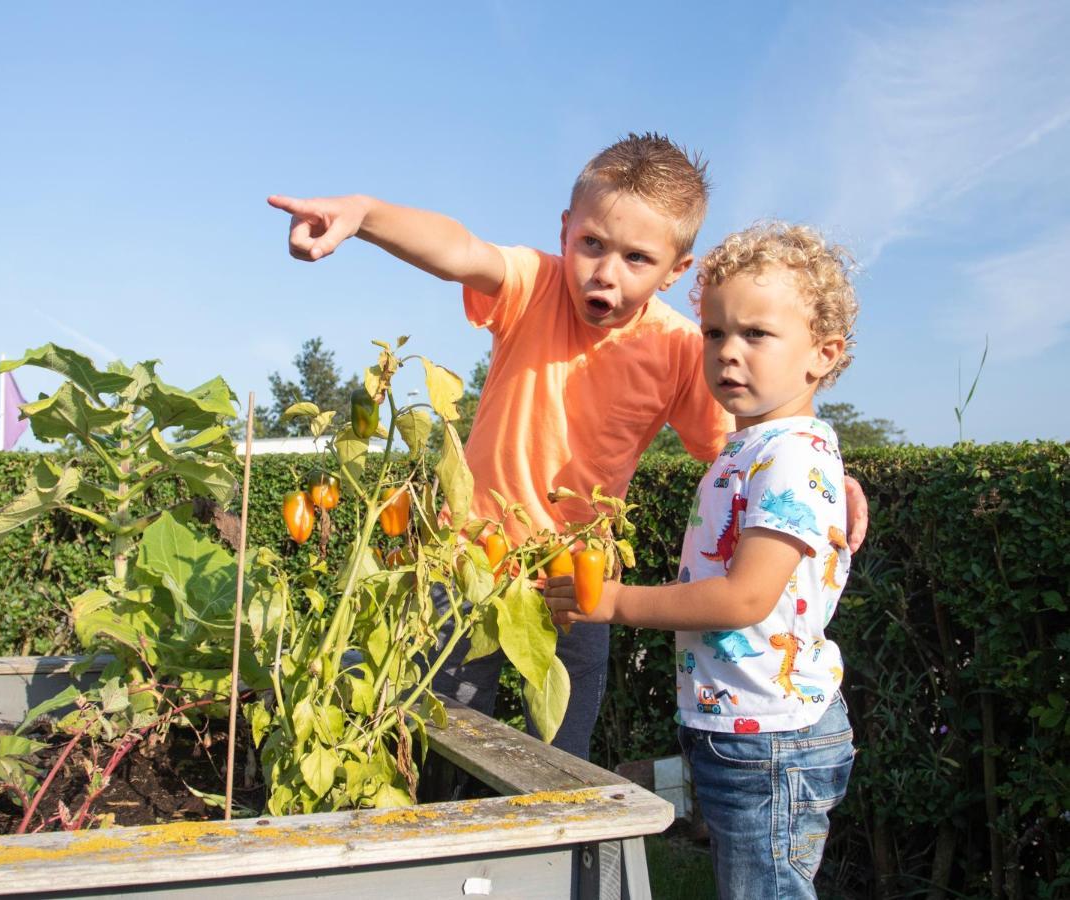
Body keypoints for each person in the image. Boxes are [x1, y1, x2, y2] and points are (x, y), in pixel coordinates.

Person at [268, 134, 868, 760]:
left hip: (575, 585)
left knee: (557, 755)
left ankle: (544, 856)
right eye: (591, 245)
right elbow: (459, 249)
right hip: (462, 563)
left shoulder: (684, 350)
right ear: (565, 233)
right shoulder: (537, 287)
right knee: (428, 737)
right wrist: (364, 214)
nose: (605, 272)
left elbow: (755, 446)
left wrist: (831, 481)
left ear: (676, 270)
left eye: (637, 258)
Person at [546, 222, 859, 897]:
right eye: (714, 333)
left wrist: (618, 603)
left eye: (756, 335)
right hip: (740, 725)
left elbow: (745, 598)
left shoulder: (791, 456)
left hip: (771, 737)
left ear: (821, 355)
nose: (727, 353)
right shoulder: (750, 447)